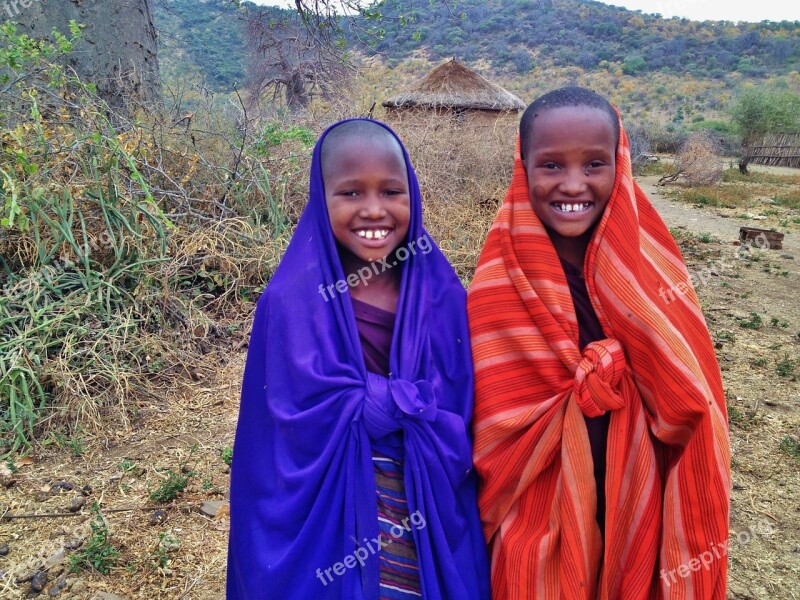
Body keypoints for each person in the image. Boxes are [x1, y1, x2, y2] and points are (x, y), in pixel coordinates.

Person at [467, 87, 730, 599]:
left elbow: (692, 402)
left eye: (593, 164)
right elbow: (491, 419)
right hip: (532, 509)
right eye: (551, 165)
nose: (572, 184)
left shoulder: (649, 273)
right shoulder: (499, 282)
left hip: (636, 498)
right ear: (523, 169)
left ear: (620, 164)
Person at [227, 118, 490, 600]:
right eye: (350, 193)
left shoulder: (443, 295)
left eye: (392, 191)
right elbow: (277, 436)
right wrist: (377, 404)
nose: (374, 210)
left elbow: (461, 407)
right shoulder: (291, 301)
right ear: (320, 199)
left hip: (422, 499)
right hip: (330, 514)